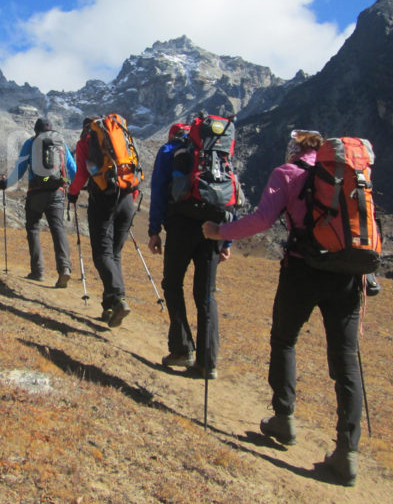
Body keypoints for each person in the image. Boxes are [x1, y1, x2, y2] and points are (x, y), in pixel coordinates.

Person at [202, 130, 364, 486]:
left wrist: (219, 231)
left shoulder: (286, 174)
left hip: (303, 270)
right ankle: (347, 453)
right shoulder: (348, 174)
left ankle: (283, 418)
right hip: (349, 274)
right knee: (346, 360)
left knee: (285, 339)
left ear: (294, 149)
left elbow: (262, 219)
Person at [148, 123, 231, 378]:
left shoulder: (169, 150)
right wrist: (226, 240)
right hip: (213, 227)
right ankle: (209, 362)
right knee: (206, 294)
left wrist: (154, 230)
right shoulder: (219, 153)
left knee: (172, 284)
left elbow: (159, 190)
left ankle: (182, 349)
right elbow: (229, 194)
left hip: (181, 225)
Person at [67, 116, 136, 327]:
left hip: (104, 200)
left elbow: (81, 174)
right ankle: (109, 306)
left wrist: (73, 193)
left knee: (102, 254)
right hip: (127, 198)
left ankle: (118, 299)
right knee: (114, 254)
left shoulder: (84, 143)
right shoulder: (120, 137)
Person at [1, 117, 77, 287]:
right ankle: (64, 267)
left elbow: (20, 170)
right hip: (57, 191)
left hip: (36, 192)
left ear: (36, 130)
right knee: (58, 229)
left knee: (33, 228)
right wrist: (77, 188)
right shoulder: (60, 143)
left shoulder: (30, 143)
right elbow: (72, 169)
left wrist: (5, 183)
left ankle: (38, 270)